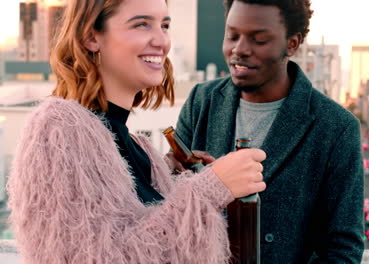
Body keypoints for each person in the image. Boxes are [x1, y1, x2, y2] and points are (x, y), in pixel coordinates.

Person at [7, 0, 267, 263]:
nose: (161, 41)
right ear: (90, 37)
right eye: (142, 24)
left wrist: (169, 179)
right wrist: (210, 189)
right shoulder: (57, 127)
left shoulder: (136, 147)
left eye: (164, 25)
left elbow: (140, 230)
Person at [171, 0, 364, 263]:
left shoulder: (335, 127)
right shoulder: (201, 101)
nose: (239, 50)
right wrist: (168, 174)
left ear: (292, 44)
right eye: (232, 35)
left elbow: (343, 248)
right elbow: (170, 205)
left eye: (259, 39)